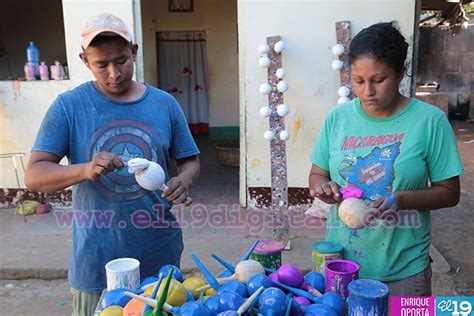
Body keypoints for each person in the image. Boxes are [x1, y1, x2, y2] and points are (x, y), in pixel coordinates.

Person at [24, 13, 200, 315]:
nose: (113, 73)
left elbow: (190, 160)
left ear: (134, 51)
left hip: (158, 253)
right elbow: (34, 175)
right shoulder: (69, 107)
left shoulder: (163, 104)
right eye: (101, 64)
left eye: (121, 61)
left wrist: (183, 180)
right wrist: (84, 169)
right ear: (84, 60)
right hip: (96, 261)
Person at [308, 21, 463, 296]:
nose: (368, 91)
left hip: (404, 271)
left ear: (400, 73)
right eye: (358, 81)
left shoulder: (429, 122)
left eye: (379, 80)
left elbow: (450, 193)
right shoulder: (338, 118)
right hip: (341, 267)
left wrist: (402, 199)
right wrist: (323, 187)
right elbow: (317, 173)